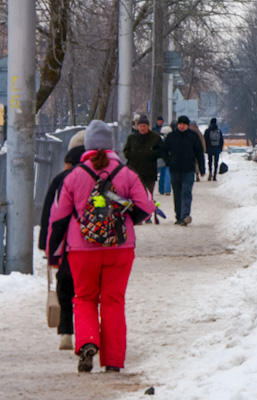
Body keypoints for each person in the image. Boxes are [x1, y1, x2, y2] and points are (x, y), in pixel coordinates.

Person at [51, 120, 155, 372]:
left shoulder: (74, 175)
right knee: (113, 301)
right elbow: (146, 207)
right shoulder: (126, 173)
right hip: (120, 248)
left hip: (81, 249)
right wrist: (127, 217)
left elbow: (58, 217)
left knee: (84, 298)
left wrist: (54, 253)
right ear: (111, 147)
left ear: (87, 146)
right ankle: (113, 361)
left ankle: (87, 342)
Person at [38, 132, 86, 351]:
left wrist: (46, 246)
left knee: (65, 286)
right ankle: (91, 333)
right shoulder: (102, 177)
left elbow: (50, 215)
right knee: (89, 291)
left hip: (67, 245)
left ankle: (66, 333)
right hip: (96, 243)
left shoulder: (61, 179)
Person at [160, 116, 205, 225]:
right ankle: (179, 216)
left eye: (184, 124)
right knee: (177, 193)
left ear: (187, 125)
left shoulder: (193, 136)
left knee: (186, 192)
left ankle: (185, 215)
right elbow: (164, 150)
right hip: (175, 169)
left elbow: (199, 153)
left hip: (189, 169)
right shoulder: (172, 136)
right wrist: (168, 161)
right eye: (180, 124)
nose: (181, 126)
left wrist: (202, 169)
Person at [123, 115, 163, 218]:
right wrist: (132, 155)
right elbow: (126, 151)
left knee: (148, 194)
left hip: (149, 171)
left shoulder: (154, 137)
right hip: (135, 171)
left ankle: (148, 214)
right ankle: (137, 214)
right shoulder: (132, 138)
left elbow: (161, 150)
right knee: (136, 195)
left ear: (148, 126)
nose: (142, 128)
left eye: (144, 126)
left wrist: (150, 154)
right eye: (140, 126)